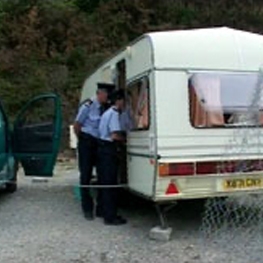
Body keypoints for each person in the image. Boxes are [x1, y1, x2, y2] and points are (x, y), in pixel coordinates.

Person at [74, 83, 114, 220]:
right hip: (87, 141)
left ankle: (101, 208)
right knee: (85, 175)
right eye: (106, 95)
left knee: (103, 175)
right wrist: (83, 140)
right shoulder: (88, 105)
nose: (108, 98)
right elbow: (77, 124)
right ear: (100, 93)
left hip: (99, 142)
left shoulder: (105, 107)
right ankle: (87, 208)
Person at [97, 90, 127, 225]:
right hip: (109, 150)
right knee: (110, 183)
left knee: (103, 182)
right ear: (119, 101)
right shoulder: (114, 114)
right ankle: (110, 217)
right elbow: (114, 135)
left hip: (101, 148)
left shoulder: (106, 113)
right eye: (124, 101)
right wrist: (125, 139)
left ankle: (101, 210)